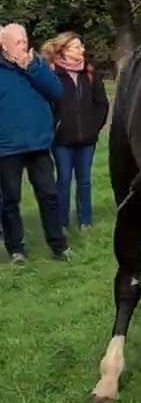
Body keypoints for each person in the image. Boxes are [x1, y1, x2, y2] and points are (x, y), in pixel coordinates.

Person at [0, 23, 68, 265]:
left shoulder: (37, 65)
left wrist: (32, 68)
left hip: (39, 145)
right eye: (18, 42)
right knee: (10, 200)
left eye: (25, 39)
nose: (24, 45)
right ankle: (16, 249)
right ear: (4, 46)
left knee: (49, 195)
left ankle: (58, 245)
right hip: (7, 148)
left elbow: (57, 92)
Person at [42, 31, 110, 231]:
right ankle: (62, 222)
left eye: (81, 46)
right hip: (62, 139)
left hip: (87, 139)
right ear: (64, 50)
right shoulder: (52, 73)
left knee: (85, 181)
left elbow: (102, 103)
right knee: (63, 181)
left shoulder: (89, 72)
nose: (82, 50)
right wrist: (55, 127)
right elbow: (46, 105)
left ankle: (85, 221)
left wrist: (93, 126)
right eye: (77, 47)